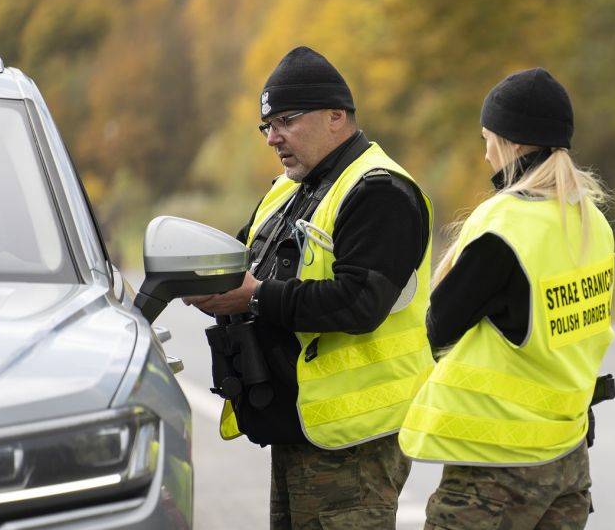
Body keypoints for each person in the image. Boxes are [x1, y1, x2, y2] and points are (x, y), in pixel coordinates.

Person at [184, 46, 434, 529]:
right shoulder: (289, 188)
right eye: (266, 126)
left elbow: (359, 302)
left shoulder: (379, 190)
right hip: (303, 427)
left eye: (286, 121)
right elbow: (239, 261)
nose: (272, 138)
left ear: (336, 116)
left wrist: (255, 296)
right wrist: (195, 281)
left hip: (354, 441)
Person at [398, 68, 615, 530]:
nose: (485, 153)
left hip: (497, 469)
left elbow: (437, 328)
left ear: (512, 143)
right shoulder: (592, 222)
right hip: (569, 459)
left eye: (487, 138)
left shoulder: (506, 225)